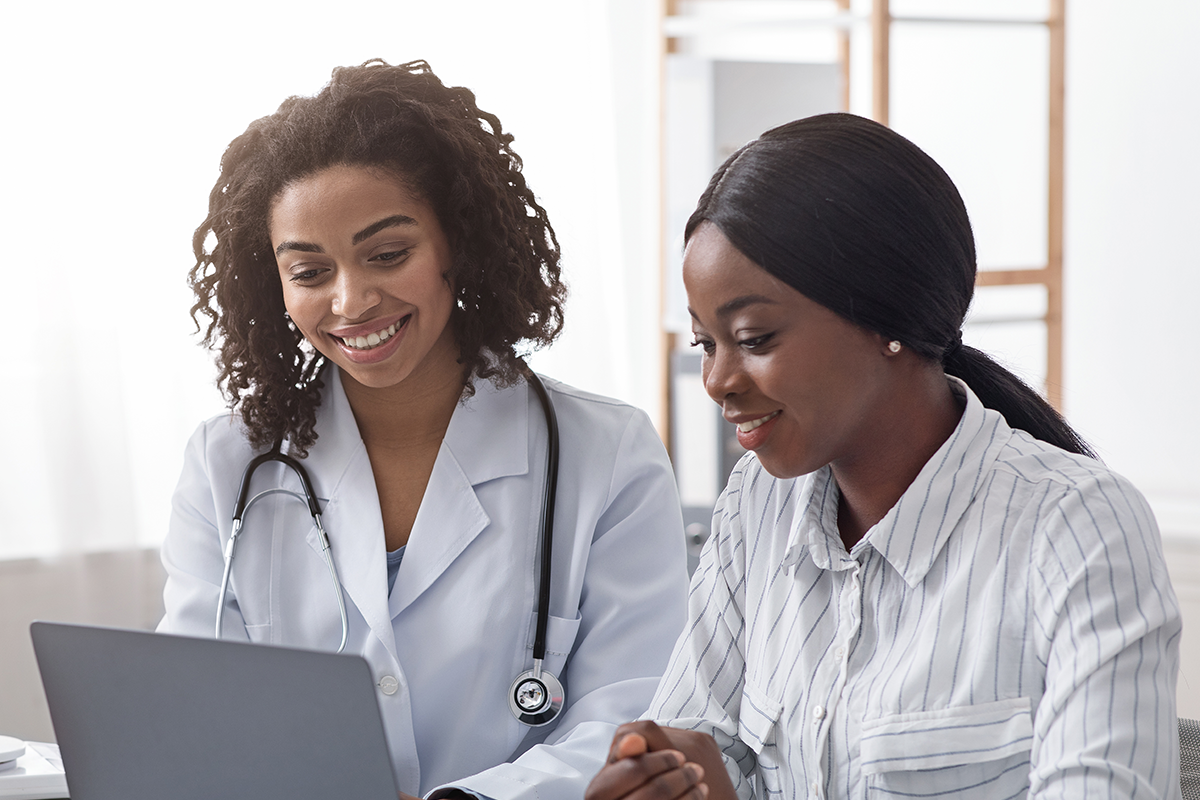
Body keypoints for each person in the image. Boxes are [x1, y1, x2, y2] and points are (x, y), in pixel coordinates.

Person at [586, 113, 1181, 800]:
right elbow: (698, 743)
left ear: (885, 318)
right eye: (705, 344)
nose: (717, 380)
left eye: (754, 337)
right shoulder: (757, 503)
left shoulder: (1079, 529)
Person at [158, 59, 689, 800]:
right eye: (309, 271)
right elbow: (196, 712)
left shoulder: (605, 454)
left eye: (387, 254)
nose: (351, 300)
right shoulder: (227, 465)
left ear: (455, 246)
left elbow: (633, 712)